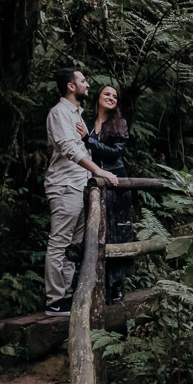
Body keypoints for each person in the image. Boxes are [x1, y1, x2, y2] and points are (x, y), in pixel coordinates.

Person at [44, 68, 118, 317]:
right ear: (71, 86)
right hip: (65, 185)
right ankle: (54, 300)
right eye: (83, 81)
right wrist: (98, 170)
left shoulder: (77, 114)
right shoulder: (59, 113)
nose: (87, 85)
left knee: (74, 245)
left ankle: (65, 296)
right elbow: (68, 148)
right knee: (60, 241)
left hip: (80, 185)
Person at [76, 84, 134, 305]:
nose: (111, 98)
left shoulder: (120, 123)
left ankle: (117, 285)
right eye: (107, 94)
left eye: (114, 96)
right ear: (98, 97)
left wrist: (88, 140)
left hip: (116, 182)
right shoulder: (88, 123)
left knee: (116, 232)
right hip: (93, 182)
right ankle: (98, 284)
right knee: (97, 231)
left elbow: (115, 153)